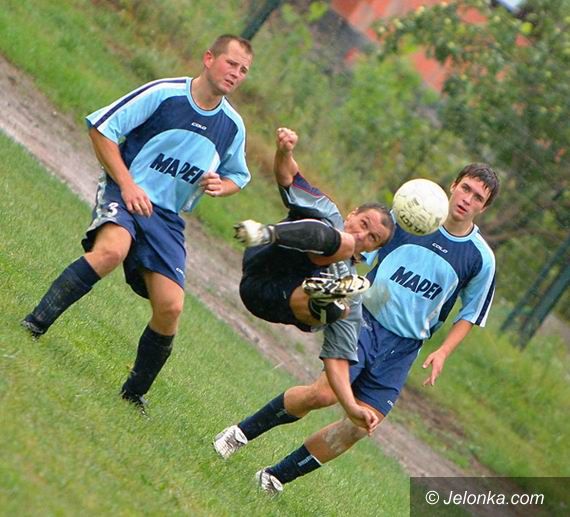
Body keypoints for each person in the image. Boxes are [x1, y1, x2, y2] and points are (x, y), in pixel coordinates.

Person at [213, 163, 500, 494]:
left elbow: (471, 313)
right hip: (365, 320)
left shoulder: (481, 258)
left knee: (360, 426)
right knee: (323, 394)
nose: (467, 199)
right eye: (465, 188)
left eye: (478, 198)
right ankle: (239, 434)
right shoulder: (408, 217)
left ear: (483, 208)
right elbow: (357, 248)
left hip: (404, 349)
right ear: (454, 185)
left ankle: (273, 478)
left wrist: (444, 352)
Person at [21, 34, 254, 410]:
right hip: (125, 191)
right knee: (111, 251)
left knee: (171, 307)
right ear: (209, 58)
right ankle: (34, 324)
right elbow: (101, 129)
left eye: (243, 70)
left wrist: (220, 185)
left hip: (166, 217)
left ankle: (133, 393)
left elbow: (238, 176)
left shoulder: (233, 126)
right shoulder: (165, 94)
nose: (236, 74)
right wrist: (128, 185)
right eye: (231, 63)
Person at [229, 127, 394, 434]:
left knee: (341, 307)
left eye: (373, 238)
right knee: (342, 242)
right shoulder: (327, 210)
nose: (363, 235)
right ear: (352, 213)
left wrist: (351, 407)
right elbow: (288, 176)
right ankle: (267, 234)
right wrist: (285, 150)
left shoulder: (351, 288)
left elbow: (338, 358)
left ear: (374, 249)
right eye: (363, 223)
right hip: (265, 261)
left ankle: (323, 298)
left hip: (274, 300)